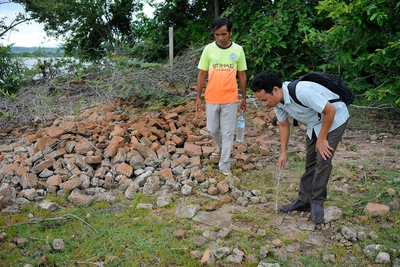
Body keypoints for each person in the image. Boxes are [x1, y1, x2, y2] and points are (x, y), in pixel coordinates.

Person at [250, 70, 350, 224]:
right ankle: (304, 201)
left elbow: (330, 110)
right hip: (314, 123)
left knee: (322, 159)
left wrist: (322, 139)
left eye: (265, 100)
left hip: (334, 119)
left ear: (275, 90)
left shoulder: (302, 92)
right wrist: (283, 153)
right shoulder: (278, 102)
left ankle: (317, 202)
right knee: (310, 161)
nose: (265, 104)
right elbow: (283, 125)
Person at [195, 17, 247, 176]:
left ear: (230, 32)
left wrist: (243, 97)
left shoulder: (238, 50)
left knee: (228, 132)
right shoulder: (208, 50)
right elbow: (202, 73)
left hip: (230, 98)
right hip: (211, 97)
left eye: (224, 34)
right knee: (212, 129)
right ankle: (221, 146)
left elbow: (242, 74)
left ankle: (224, 164)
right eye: (217, 34)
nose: (221, 38)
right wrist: (198, 97)